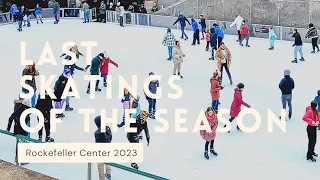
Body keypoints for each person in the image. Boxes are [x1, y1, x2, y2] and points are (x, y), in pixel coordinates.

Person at [7, 98, 31, 166]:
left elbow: (11, 118)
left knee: (19, 144)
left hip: (17, 131)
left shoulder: (19, 108)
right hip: (22, 132)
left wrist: (8, 128)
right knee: (22, 145)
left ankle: (17, 159)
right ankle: (21, 159)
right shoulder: (24, 111)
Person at [94, 116, 112, 180]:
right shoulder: (108, 128)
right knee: (108, 161)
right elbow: (110, 137)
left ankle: (102, 178)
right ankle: (108, 173)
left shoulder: (97, 133)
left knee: (100, 165)